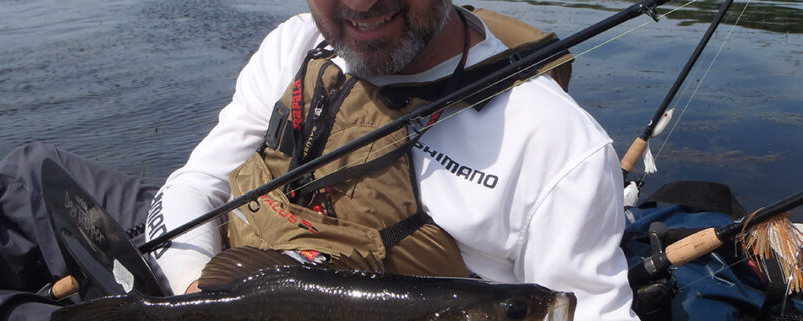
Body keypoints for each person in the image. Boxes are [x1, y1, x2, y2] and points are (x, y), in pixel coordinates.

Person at [147, 1, 637, 321]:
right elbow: (197, 184)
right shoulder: (294, 45)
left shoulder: (558, 144)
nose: (360, 5)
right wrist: (196, 295)